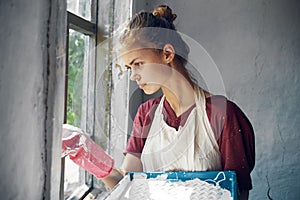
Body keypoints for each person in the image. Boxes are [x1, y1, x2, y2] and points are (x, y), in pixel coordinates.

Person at [101, 5, 255, 200]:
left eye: (138, 63)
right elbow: (125, 184)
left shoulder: (223, 115)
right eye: (129, 67)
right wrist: (89, 157)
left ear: (167, 54)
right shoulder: (146, 113)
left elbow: (238, 193)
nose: (133, 76)